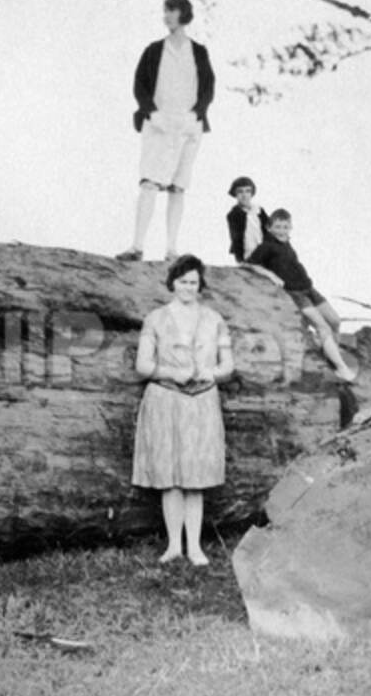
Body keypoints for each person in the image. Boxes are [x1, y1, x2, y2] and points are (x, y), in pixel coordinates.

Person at [132, 254, 234, 565]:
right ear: (172, 284)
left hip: (202, 399)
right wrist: (170, 372)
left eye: (194, 282)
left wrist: (211, 374)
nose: (189, 288)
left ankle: (196, 547)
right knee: (170, 474)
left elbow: (228, 365)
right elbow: (142, 366)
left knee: (196, 475)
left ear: (200, 285)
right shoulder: (156, 318)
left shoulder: (214, 319)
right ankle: (174, 545)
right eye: (183, 282)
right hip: (166, 398)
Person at [117, 0, 215, 262]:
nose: (166, 16)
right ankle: (137, 246)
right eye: (165, 11)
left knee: (178, 187)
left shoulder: (198, 52)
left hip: (188, 128)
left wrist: (197, 115)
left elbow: (208, 88)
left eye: (171, 11)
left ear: (183, 14)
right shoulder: (154, 50)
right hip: (159, 126)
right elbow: (140, 86)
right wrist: (152, 113)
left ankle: (171, 249)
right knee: (149, 183)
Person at [247, 209, 356, 382]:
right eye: (278, 227)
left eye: (285, 227)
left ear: (290, 227)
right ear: (269, 228)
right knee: (323, 327)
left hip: (308, 288)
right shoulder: (266, 246)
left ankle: (331, 354)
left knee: (335, 321)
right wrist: (272, 276)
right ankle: (341, 368)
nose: (282, 231)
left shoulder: (286, 243)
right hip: (295, 293)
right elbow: (251, 264)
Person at [226, 176, 269, 263]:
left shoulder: (259, 210)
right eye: (240, 191)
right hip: (247, 252)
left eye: (247, 191)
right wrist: (240, 259)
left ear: (252, 193)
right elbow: (236, 239)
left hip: (263, 249)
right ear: (235, 194)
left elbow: (268, 229)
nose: (244, 195)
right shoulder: (234, 215)